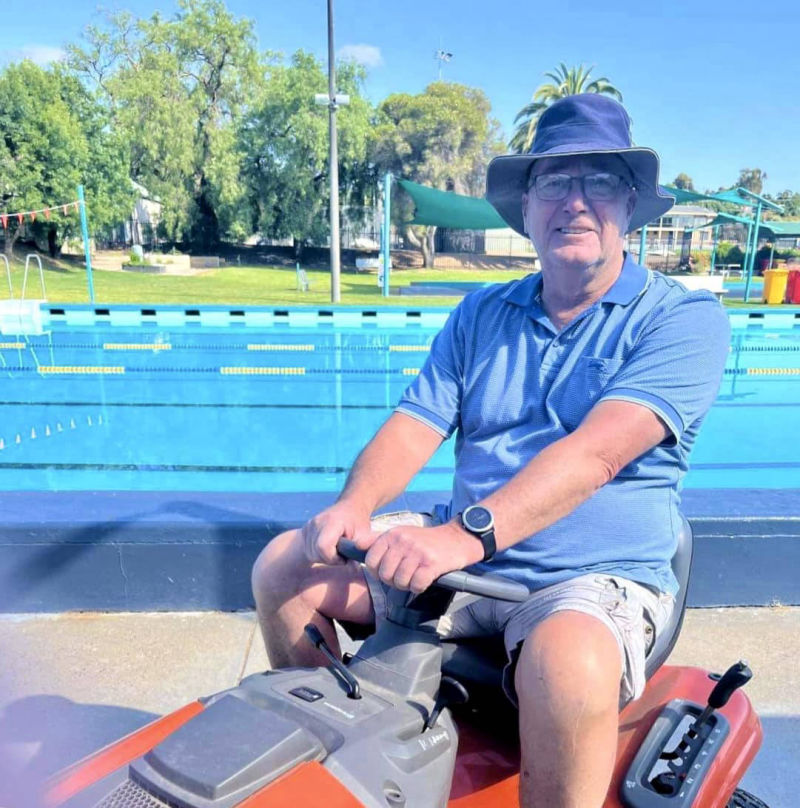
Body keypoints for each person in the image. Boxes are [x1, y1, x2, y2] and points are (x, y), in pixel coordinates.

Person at [251, 94, 730, 808]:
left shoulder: (683, 319)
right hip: (467, 564)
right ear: (528, 208)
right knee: (282, 567)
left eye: (599, 181)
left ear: (629, 205)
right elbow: (416, 422)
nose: (576, 201)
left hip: (590, 579)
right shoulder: (482, 313)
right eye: (553, 182)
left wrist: (461, 537)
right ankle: (338, 755)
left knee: (568, 664)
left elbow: (596, 454)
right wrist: (356, 505)